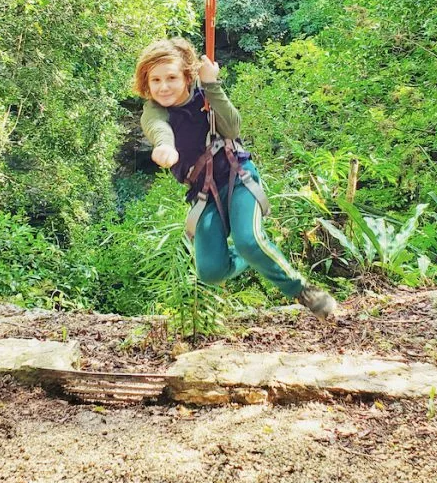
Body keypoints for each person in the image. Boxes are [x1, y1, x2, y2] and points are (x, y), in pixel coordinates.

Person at [134, 38, 338, 318]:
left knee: (248, 240)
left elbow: (232, 128)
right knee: (211, 272)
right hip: (202, 192)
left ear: (187, 76)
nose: (163, 86)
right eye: (155, 80)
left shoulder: (205, 95)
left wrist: (212, 85)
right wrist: (164, 146)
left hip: (237, 175)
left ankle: (303, 291)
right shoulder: (154, 111)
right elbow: (159, 129)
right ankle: (251, 254)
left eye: (171, 77)